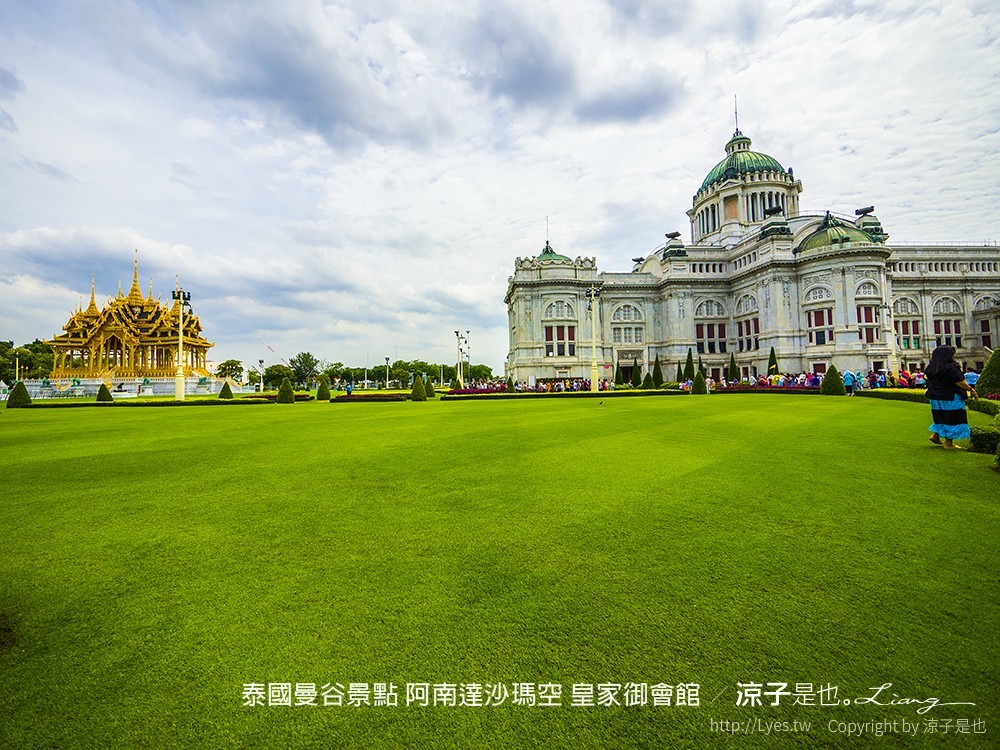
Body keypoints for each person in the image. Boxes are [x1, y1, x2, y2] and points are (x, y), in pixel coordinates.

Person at [925, 345, 978, 450]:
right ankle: (948, 443)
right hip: (950, 395)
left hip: (935, 396)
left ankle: (935, 435)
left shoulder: (931, 367)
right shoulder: (951, 367)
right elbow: (959, 382)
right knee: (953, 417)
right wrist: (970, 389)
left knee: (940, 416)